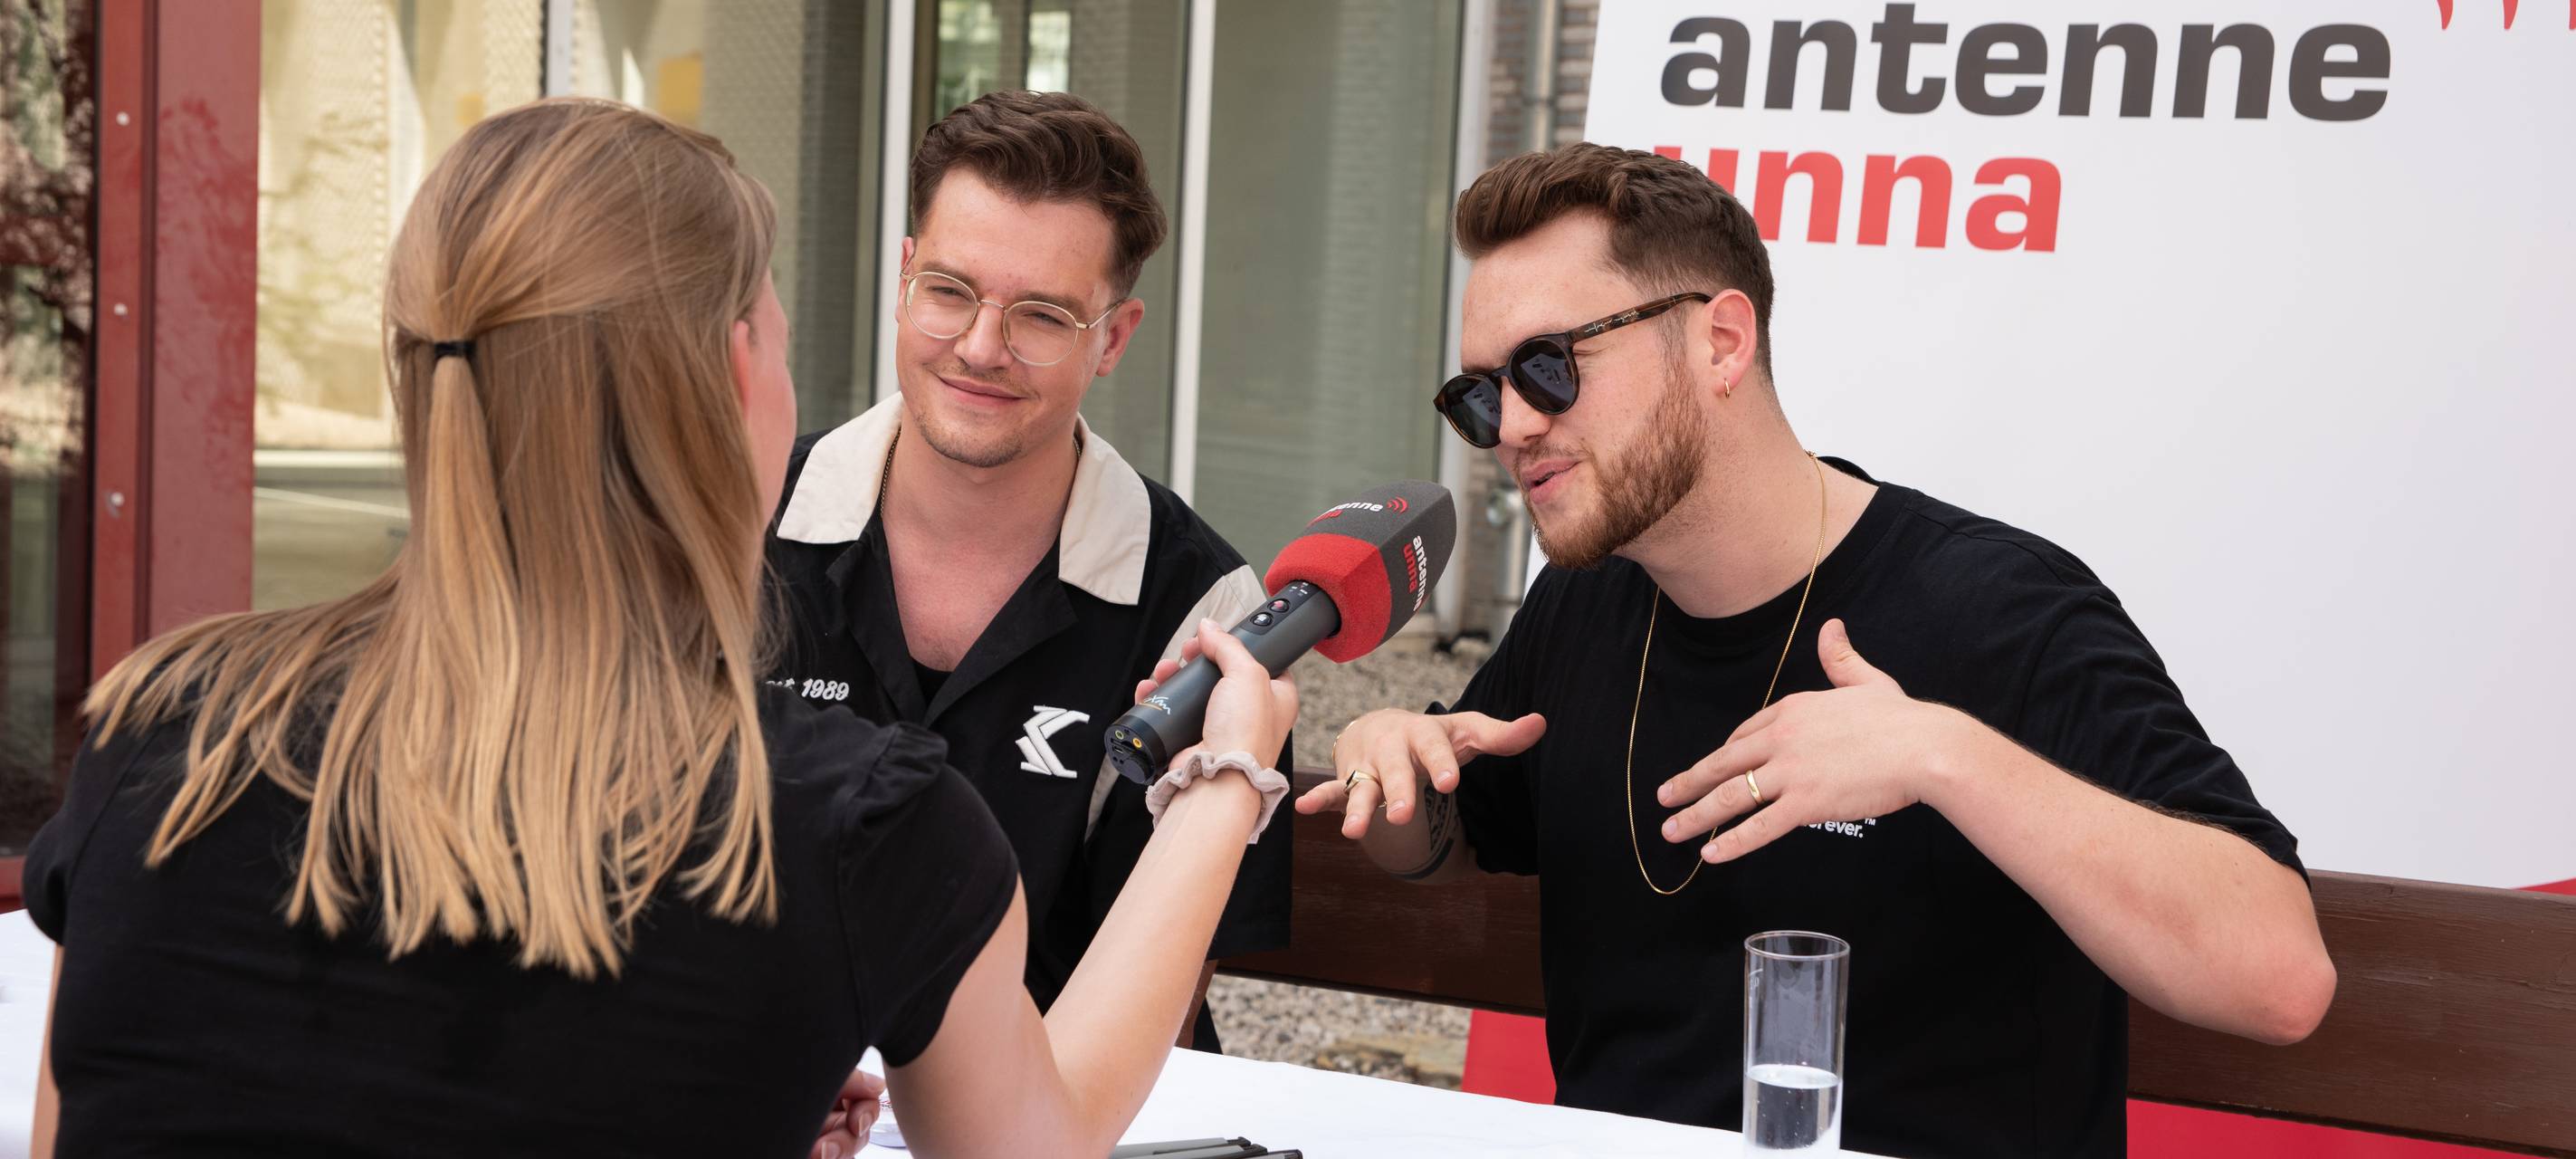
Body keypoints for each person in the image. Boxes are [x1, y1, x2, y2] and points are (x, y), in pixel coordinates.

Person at [24, 97, 1298, 1159]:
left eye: (1040, 313)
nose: (979, 344)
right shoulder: (854, 823)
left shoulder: (165, 721)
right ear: (738, 374)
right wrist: (1227, 779)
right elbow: (1035, 1146)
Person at [1299, 143, 2337, 1157]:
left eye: (1546, 366)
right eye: (1480, 395)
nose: (1512, 427)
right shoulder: (1583, 600)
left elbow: (2279, 980)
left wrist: (1944, 755)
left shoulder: (2002, 608)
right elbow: (1450, 840)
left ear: (1720, 342)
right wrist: (1394, 767)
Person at [764, 91, 1287, 1052]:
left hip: (1053, 1103)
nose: (978, 348)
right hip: (764, 1094)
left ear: (1113, 338)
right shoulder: (739, 522)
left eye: (1042, 315)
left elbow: (1159, 1001)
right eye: (949, 291)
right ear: (905, 277)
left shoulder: (1203, 607)